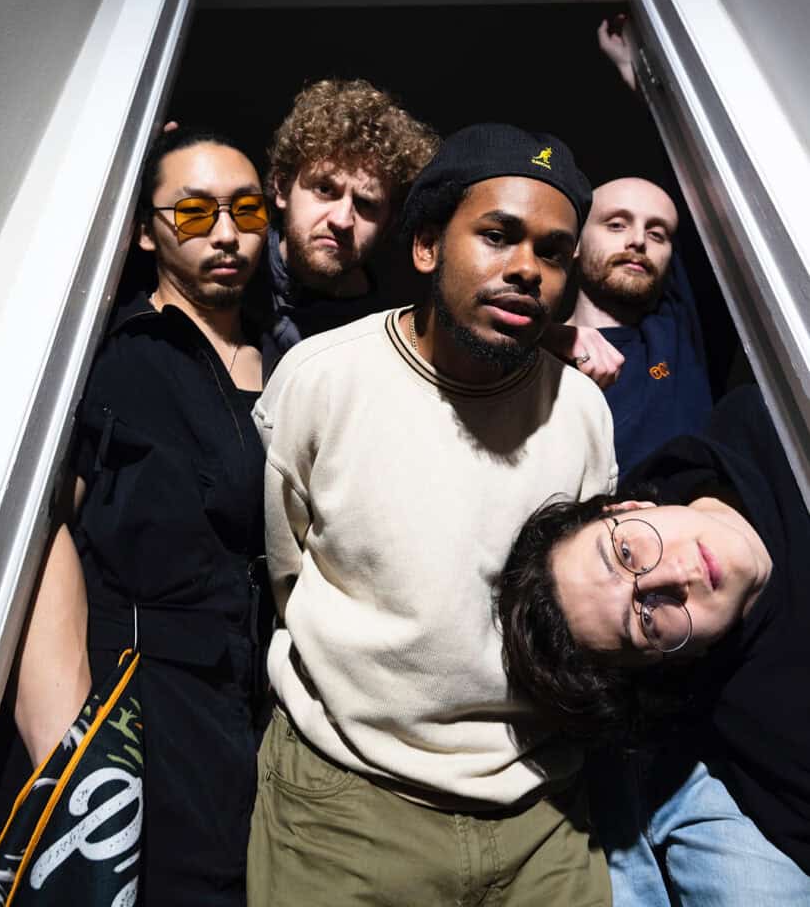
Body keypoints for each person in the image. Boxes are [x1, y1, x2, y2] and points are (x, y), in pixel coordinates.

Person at [247, 123, 618, 906]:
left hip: (541, 807)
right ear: (425, 247)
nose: (527, 269)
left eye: (553, 252)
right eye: (497, 236)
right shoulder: (322, 378)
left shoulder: (582, 410)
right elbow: (285, 566)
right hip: (345, 799)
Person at [0, 127, 274, 905]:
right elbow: (42, 538)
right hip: (134, 701)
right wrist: (70, 749)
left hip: (245, 706)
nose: (226, 233)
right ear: (147, 232)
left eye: (247, 209)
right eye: (194, 212)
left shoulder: (290, 362)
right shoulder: (116, 355)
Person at [498, 385, 810, 903]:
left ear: (627, 505)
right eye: (644, 619)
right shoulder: (782, 747)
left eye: (625, 552)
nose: (671, 575)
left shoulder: (771, 406)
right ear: (669, 661)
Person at [261, 77, 438, 351]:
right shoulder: (233, 276)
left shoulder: (383, 334)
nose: (342, 220)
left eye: (366, 204)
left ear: (388, 223)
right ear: (283, 188)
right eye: (325, 189)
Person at [559, 176, 713, 474]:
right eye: (617, 225)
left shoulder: (676, 334)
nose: (639, 240)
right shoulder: (531, 358)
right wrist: (546, 337)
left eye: (657, 234)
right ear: (574, 242)